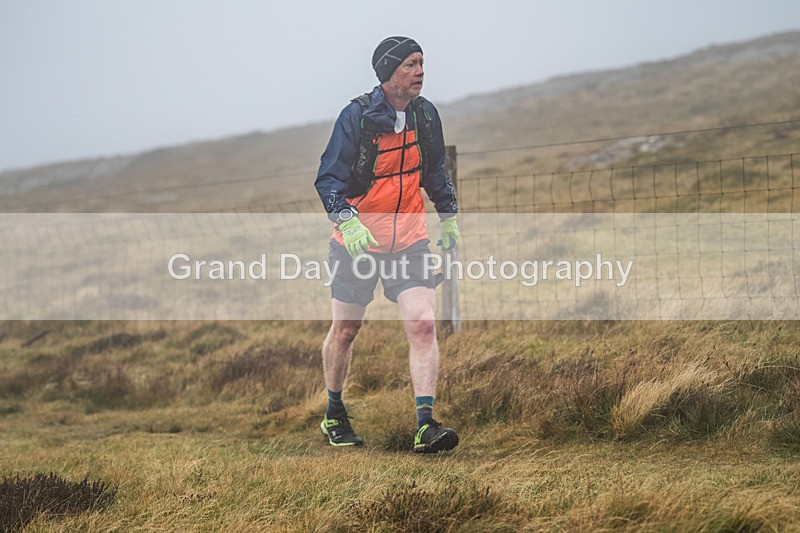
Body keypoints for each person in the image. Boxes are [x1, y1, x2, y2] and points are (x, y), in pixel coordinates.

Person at [314, 36, 460, 453]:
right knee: (345, 330)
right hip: (356, 244)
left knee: (423, 323)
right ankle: (334, 414)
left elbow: (434, 171)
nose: (420, 71)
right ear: (388, 73)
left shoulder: (425, 116)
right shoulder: (356, 118)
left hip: (409, 241)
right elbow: (328, 180)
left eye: (422, 62)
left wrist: (447, 214)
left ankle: (425, 426)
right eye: (411, 64)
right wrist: (346, 218)